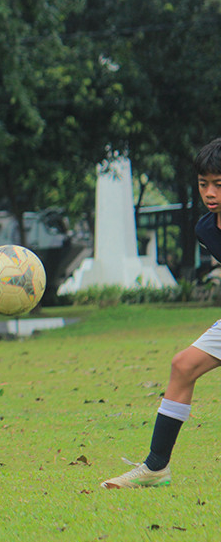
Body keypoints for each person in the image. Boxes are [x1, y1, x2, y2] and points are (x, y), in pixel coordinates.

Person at [102, 137, 221, 489]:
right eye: (204, 184)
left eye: (219, 184)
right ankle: (155, 467)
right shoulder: (205, 229)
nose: (210, 192)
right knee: (183, 366)